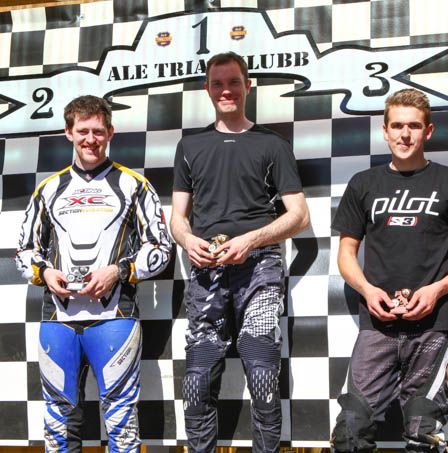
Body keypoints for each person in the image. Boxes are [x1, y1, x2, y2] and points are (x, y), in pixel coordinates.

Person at [330, 88, 448, 452]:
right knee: (349, 434)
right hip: (377, 326)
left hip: (434, 326)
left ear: (428, 131)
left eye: (414, 126)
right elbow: (345, 255)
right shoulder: (363, 184)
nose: (405, 134)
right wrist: (368, 290)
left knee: (423, 434)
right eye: (397, 126)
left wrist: (437, 289)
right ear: (385, 131)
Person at [16, 95, 172, 452]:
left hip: (115, 317)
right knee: (58, 422)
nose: (91, 139)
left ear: (110, 133)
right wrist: (44, 273)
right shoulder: (48, 189)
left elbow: (161, 248)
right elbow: (24, 250)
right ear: (68, 133)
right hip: (58, 319)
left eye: (98, 131)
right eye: (83, 131)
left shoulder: (134, 185)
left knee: (121, 421)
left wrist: (119, 271)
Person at [171, 51, 310, 452]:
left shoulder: (273, 143)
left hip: (260, 267)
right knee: (197, 381)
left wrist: (251, 240)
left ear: (248, 86)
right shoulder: (189, 145)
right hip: (207, 271)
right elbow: (177, 218)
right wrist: (188, 240)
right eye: (217, 84)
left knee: (263, 374)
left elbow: (299, 216)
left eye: (233, 82)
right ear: (207, 89)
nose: (226, 90)